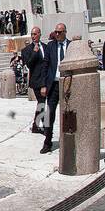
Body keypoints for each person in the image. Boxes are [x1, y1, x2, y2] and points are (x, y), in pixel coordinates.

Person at [29, 22, 68, 154]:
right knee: (49, 114)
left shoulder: (71, 46)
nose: (57, 34)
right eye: (55, 32)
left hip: (67, 85)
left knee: (69, 113)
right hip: (53, 85)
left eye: (60, 32)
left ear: (65, 32)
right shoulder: (51, 46)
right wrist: (44, 85)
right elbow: (45, 66)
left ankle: (69, 139)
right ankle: (47, 141)